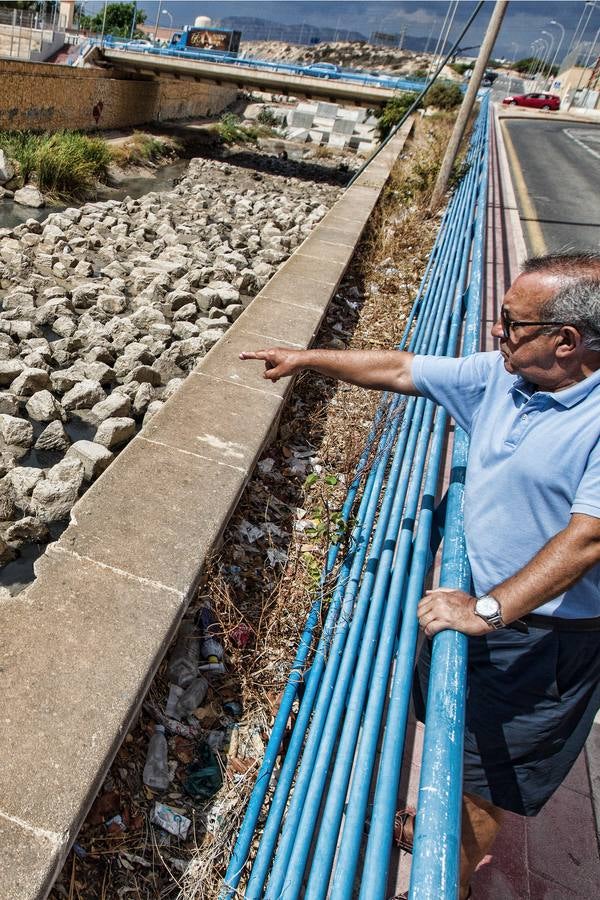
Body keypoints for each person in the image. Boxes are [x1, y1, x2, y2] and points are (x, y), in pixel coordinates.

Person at [240, 252, 600, 899]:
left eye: (511, 323)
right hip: (485, 604)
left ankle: (443, 883)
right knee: (455, 736)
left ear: (566, 342)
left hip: (544, 640)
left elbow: (587, 539)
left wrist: (487, 611)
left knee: (490, 777)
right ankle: (440, 822)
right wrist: (307, 357)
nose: (496, 332)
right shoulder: (506, 375)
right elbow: (401, 367)